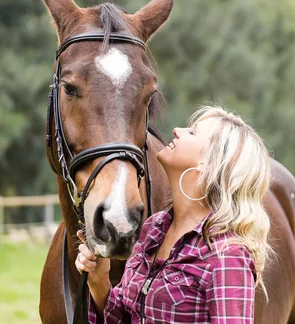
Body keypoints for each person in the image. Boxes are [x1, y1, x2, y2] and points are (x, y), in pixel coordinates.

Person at [75, 105, 273, 323]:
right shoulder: (153, 229)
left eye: (192, 132)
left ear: (210, 164)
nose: (177, 130)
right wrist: (99, 282)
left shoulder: (226, 256)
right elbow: (125, 318)